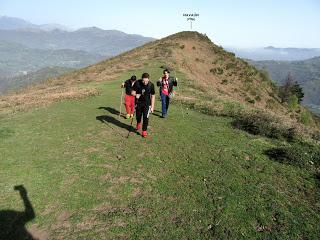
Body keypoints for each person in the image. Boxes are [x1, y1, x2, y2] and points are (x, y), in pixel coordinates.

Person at [131, 73, 155, 138]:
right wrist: (136, 95)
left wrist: (152, 107)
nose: (145, 82)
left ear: (149, 79)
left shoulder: (151, 85)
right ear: (141, 79)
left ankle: (144, 131)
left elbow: (153, 96)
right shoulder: (137, 83)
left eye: (146, 81)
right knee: (138, 116)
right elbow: (132, 92)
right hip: (138, 103)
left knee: (145, 117)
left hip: (147, 104)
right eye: (143, 81)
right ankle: (138, 122)